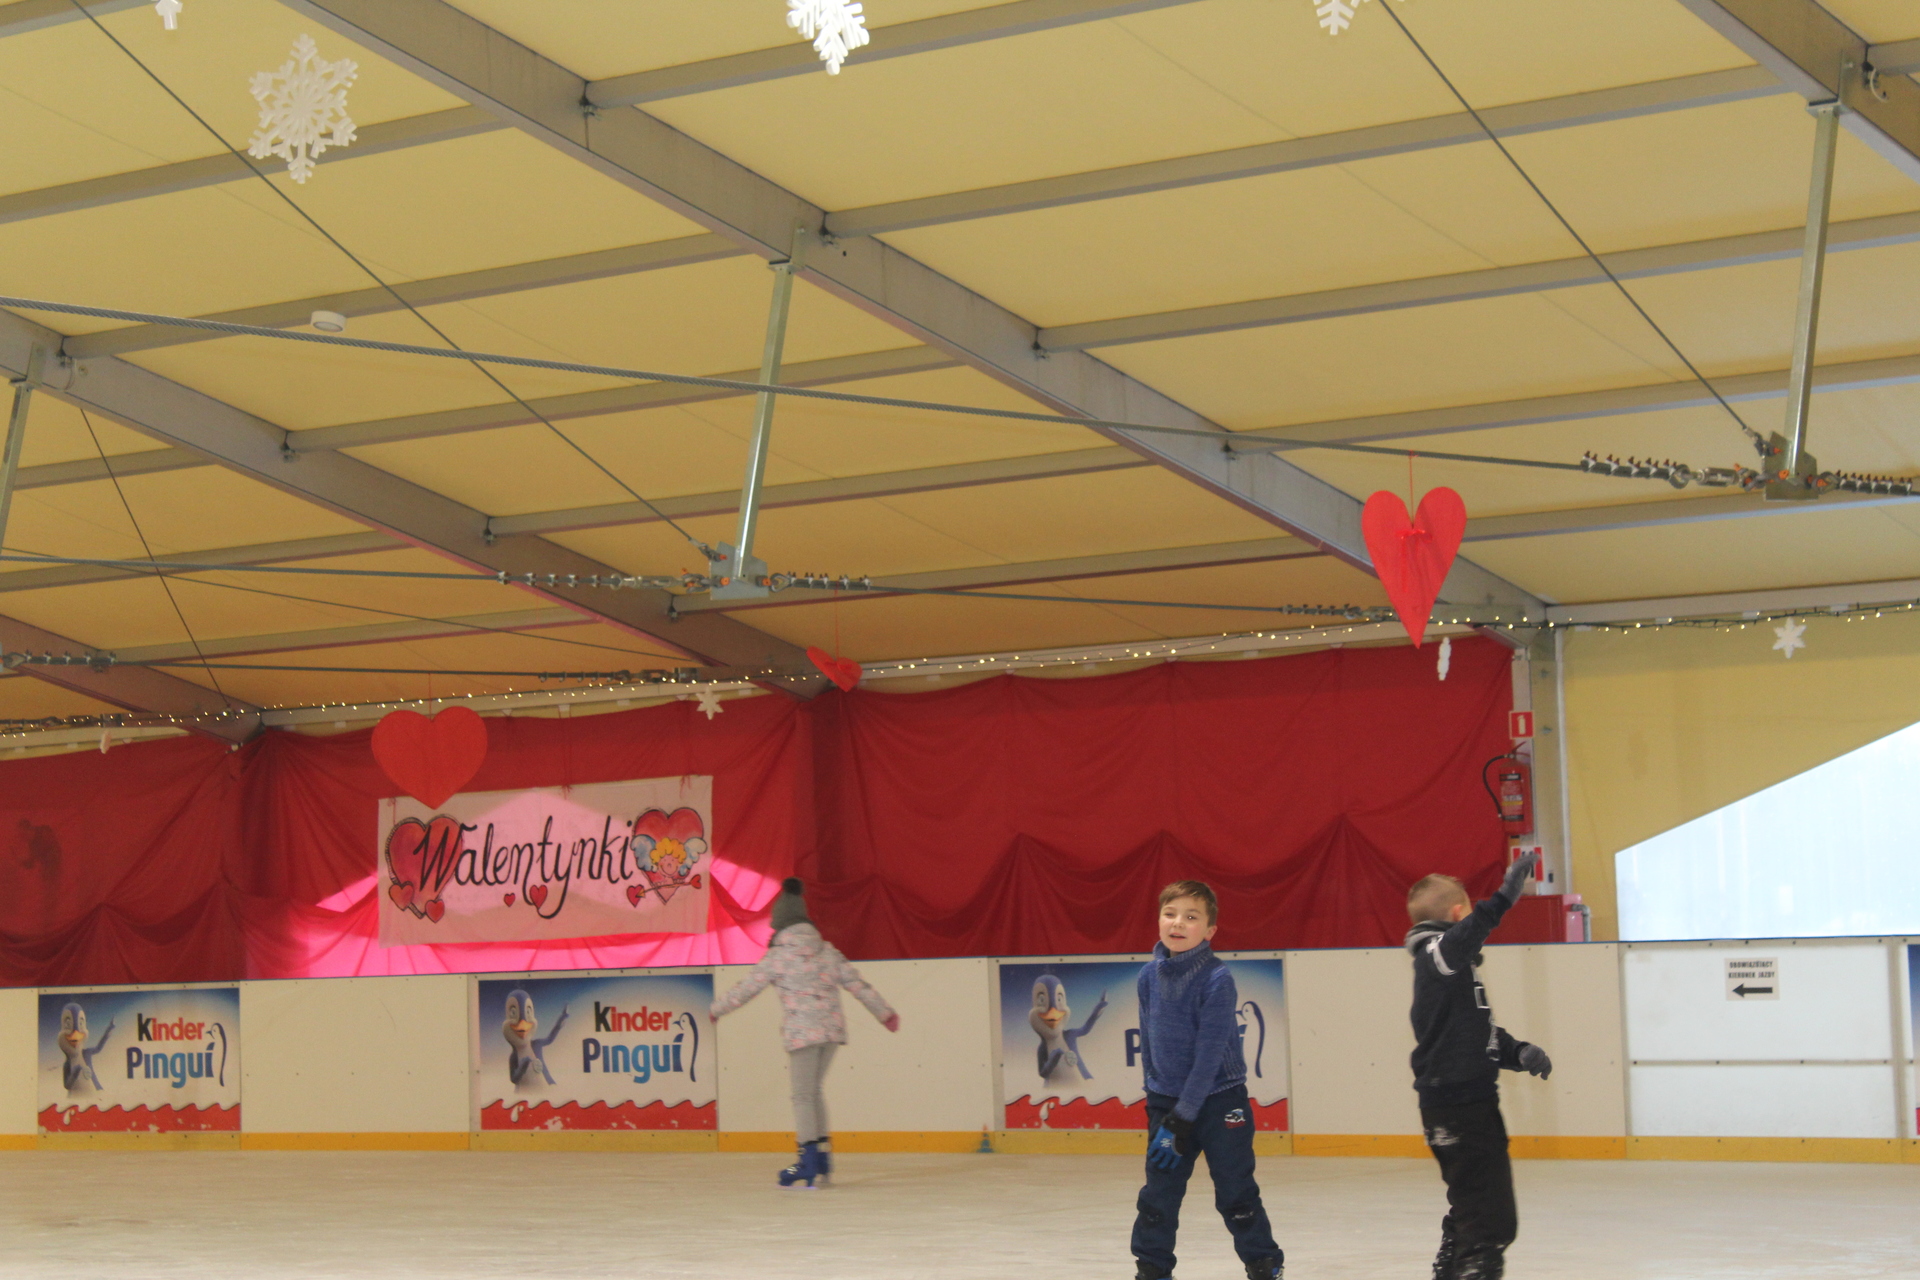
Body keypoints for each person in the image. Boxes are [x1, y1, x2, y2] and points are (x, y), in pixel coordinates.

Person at [1404, 851, 1554, 1280]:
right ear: (1458, 914)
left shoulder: (1448, 973)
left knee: (1472, 1205)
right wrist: (1504, 897)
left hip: (1462, 1103)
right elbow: (1466, 936)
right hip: (1461, 1106)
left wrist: (1517, 1052)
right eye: (1468, 914)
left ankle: (1452, 1268)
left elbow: (1474, 1033)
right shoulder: (1438, 955)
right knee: (1491, 1220)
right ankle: (1472, 1269)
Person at [1131, 881, 1284, 1280]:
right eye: (1170, 914)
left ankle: (1264, 1266)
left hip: (1220, 1103)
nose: (1178, 923)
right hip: (1168, 1106)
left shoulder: (1217, 978)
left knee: (1236, 1193)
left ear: (1210, 930)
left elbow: (1210, 1053)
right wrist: (1156, 1103)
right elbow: (1148, 1042)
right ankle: (1152, 1270)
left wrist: (1183, 1115)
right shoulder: (1148, 977)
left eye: (1191, 917)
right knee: (1158, 1197)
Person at [710, 877, 898, 1188]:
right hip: (831, 1034)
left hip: (802, 1034)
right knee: (813, 1092)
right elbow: (857, 984)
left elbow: (746, 989)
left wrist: (717, 1009)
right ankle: (822, 1158)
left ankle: (807, 1160)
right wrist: (884, 1013)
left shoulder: (777, 957)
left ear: (779, 923)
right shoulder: (827, 951)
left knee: (802, 1096)